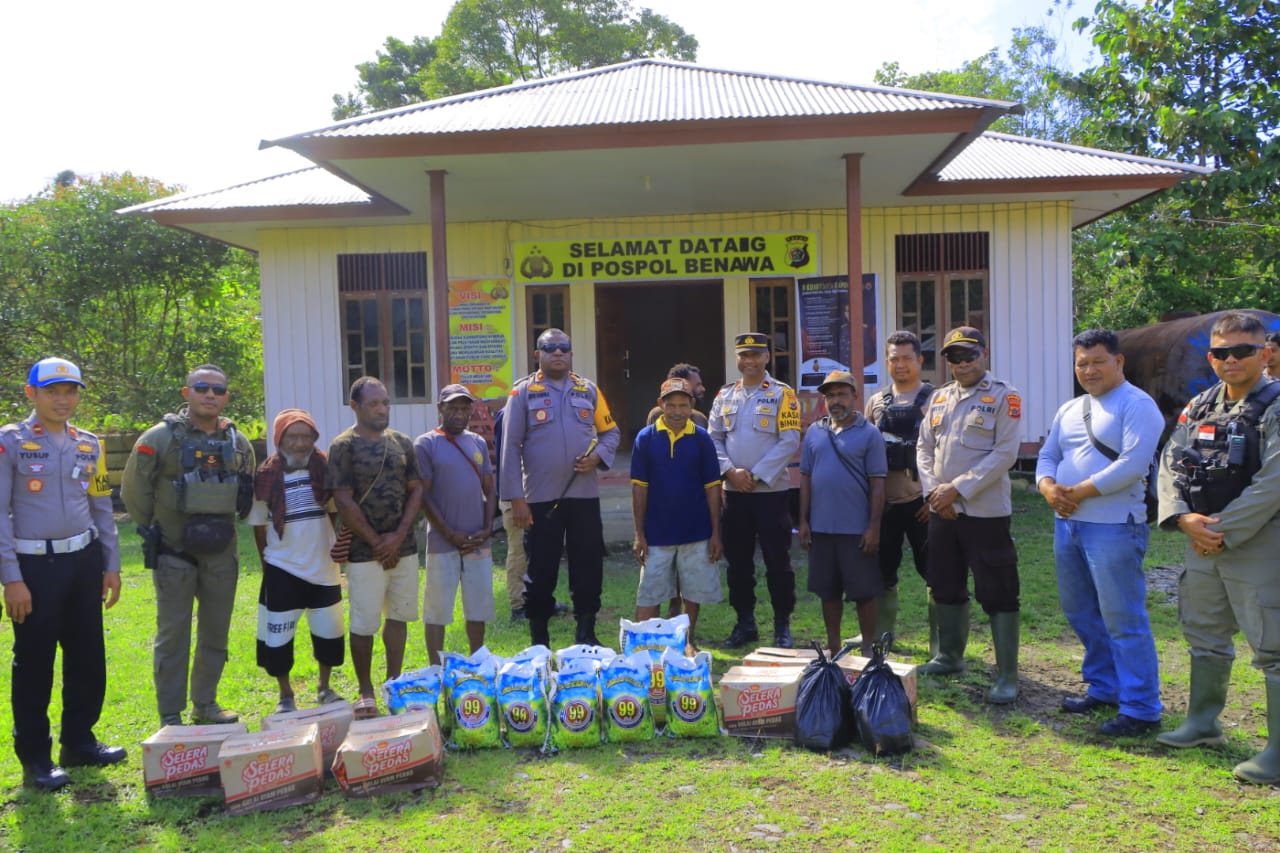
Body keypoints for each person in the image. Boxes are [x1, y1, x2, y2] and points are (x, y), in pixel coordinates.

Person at [1155, 311, 1280, 783]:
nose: (1231, 360)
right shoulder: (1201, 405)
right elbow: (1170, 460)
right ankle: (1203, 722)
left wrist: (1222, 529)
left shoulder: (1276, 405)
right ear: (1210, 357)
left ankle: (1277, 751)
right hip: (1201, 537)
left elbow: (1274, 481)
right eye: (1221, 352)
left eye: (1242, 350)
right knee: (1204, 632)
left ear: (1264, 352)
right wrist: (1182, 516)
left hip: (1258, 541)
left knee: (1274, 644)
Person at [1, 358, 124, 791]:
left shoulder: (90, 444)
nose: (62, 399)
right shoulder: (10, 443)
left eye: (70, 391)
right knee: (34, 663)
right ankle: (36, 757)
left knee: (88, 656)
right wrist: (11, 577)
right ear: (30, 393)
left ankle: (79, 741)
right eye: (52, 390)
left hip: (84, 562)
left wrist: (111, 564)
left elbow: (102, 507)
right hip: (35, 568)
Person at [1036, 329, 1164, 737]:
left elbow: (1131, 464)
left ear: (1118, 361)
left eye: (1097, 361)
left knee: (1123, 617)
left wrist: (1076, 491)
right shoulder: (1070, 408)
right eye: (1081, 363)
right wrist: (1047, 488)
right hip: (1067, 523)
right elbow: (1048, 454)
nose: (1088, 370)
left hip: (1114, 526)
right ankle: (1105, 687)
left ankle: (1141, 708)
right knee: (1081, 611)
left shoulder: (1137, 405)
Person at [122, 363, 255, 725]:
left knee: (215, 632)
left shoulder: (237, 441)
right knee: (173, 636)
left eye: (217, 389)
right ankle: (170, 714)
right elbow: (134, 491)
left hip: (221, 555)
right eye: (201, 387)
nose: (210, 395)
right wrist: (157, 529)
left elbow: (246, 485)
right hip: (173, 554)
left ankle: (206, 704)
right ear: (187, 393)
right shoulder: (159, 438)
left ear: (226, 396)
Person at [916, 327, 1023, 704]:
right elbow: (924, 449)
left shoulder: (1003, 397)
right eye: (954, 358)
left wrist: (957, 488)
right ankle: (948, 657)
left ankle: (1007, 675)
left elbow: (1005, 453)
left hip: (984, 511)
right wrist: (933, 491)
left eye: (969, 356)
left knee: (998, 590)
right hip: (942, 511)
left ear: (984, 353)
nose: (962, 364)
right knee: (944, 582)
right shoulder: (940, 397)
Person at [500, 328, 620, 648]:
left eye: (563, 348)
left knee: (588, 565)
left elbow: (611, 433)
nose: (557, 353)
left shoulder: (588, 390)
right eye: (549, 348)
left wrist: (596, 457)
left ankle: (586, 632)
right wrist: (516, 499)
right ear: (537, 355)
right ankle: (539, 639)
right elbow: (509, 447)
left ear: (570, 353)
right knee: (540, 570)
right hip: (539, 499)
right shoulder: (523, 393)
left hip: (583, 497)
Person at [326, 376, 422, 718]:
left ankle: (393, 682)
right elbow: (343, 499)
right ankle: (366, 691)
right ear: (355, 407)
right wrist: (377, 541)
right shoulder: (343, 446)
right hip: (365, 554)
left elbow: (417, 490)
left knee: (399, 616)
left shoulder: (402, 443)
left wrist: (397, 537)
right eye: (374, 404)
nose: (382, 409)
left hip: (404, 548)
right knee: (364, 621)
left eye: (385, 402)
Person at [709, 332, 802, 649]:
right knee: (738, 565)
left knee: (778, 562)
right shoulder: (724, 396)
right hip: (734, 494)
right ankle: (744, 623)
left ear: (767, 358)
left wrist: (757, 475)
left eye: (755, 355)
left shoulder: (782, 394)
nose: (749, 361)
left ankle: (782, 625)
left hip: (771, 494)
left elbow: (789, 439)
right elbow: (714, 439)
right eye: (743, 356)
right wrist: (730, 473)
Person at [249, 409, 345, 714]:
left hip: (323, 566)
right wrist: (270, 562)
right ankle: (285, 693)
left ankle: (324, 687)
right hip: (283, 566)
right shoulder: (265, 476)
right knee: (279, 635)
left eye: (306, 437)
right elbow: (258, 524)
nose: (300, 444)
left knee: (328, 631)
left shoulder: (325, 470)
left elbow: (332, 511)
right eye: (293, 436)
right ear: (280, 439)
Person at [631, 377, 723, 653]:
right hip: (656, 532)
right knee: (651, 591)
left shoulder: (702, 438)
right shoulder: (645, 439)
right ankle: (645, 646)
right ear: (661, 405)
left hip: (696, 530)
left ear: (692, 405)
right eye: (671, 405)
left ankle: (686, 639)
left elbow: (712, 487)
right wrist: (639, 533)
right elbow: (639, 488)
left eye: (683, 405)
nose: (677, 412)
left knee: (692, 591)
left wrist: (716, 532)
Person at [798, 370, 887, 655]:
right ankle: (833, 644)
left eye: (841, 394)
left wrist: (874, 526)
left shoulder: (870, 434)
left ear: (854, 396)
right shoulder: (814, 432)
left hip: (856, 529)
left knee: (863, 592)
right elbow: (806, 478)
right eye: (830, 396)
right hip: (821, 528)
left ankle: (867, 646)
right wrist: (803, 520)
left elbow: (877, 484)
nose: (836, 401)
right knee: (828, 591)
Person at [414, 385, 498, 665]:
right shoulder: (426, 444)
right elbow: (423, 495)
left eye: (465, 408)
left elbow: (489, 487)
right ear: (440, 409)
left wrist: (487, 528)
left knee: (478, 607)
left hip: (477, 540)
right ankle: (435, 668)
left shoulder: (477, 443)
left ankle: (477, 662)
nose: (460, 414)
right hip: (442, 541)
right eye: (453, 408)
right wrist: (449, 533)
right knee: (437, 609)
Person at [863, 330, 935, 651]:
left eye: (907, 358)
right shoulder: (876, 402)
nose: (901, 365)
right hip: (886, 506)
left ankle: (940, 645)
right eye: (894, 359)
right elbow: (865, 452)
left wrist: (935, 496)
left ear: (920, 360)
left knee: (936, 574)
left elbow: (947, 451)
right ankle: (881, 638)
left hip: (923, 503)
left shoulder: (937, 399)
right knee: (881, 574)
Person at [645, 363, 709, 617]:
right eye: (696, 383)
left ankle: (685, 618)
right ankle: (670, 608)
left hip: (692, 506)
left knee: (690, 566)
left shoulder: (701, 421)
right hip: (663, 506)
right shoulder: (655, 418)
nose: (701, 387)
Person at [646, 363, 709, 429]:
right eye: (698, 385)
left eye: (683, 406)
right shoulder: (656, 415)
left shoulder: (700, 419)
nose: (703, 389)